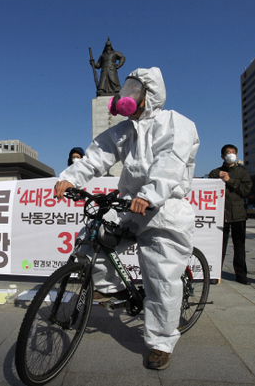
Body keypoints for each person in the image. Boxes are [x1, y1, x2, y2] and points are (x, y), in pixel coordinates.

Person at [55, 67, 199, 371]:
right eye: (126, 90)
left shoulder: (178, 124)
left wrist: (149, 194)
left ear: (151, 95)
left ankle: (161, 342)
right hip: (128, 204)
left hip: (164, 208)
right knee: (91, 239)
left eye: (135, 91)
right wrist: (70, 179)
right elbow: (98, 155)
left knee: (160, 278)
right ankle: (113, 287)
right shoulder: (125, 130)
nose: (127, 97)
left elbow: (170, 163)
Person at [209, 144, 252, 285]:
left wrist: (230, 181)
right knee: (219, 245)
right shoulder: (216, 172)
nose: (231, 155)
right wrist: (217, 176)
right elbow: (208, 185)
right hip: (221, 213)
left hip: (238, 214)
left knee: (239, 245)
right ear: (222, 156)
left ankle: (241, 274)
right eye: (228, 153)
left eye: (233, 152)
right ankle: (215, 273)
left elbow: (246, 190)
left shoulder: (242, 172)